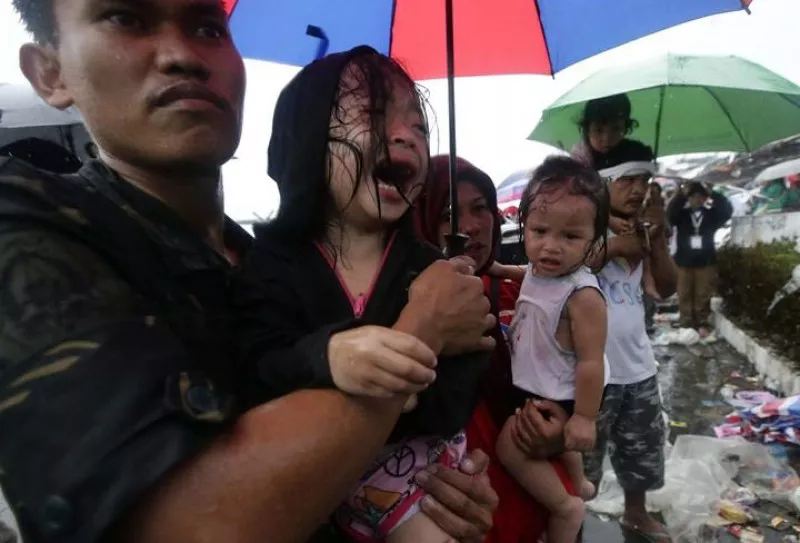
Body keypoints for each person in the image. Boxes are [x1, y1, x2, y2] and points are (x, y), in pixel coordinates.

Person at [0, 2, 499, 541]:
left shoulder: (250, 256)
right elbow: (193, 527)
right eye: (127, 18)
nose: (182, 54)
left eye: (208, 27)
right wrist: (421, 329)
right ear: (50, 71)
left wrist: (456, 484)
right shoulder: (32, 228)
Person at [233, 46, 494, 543]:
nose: (406, 135)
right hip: (305, 493)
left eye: (419, 126)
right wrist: (327, 355)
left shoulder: (432, 269)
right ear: (306, 141)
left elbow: (467, 372)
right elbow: (257, 364)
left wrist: (417, 397)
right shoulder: (271, 264)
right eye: (373, 114)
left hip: (421, 475)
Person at [416, 155, 578, 543]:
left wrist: (560, 429)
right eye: (448, 214)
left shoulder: (524, 293)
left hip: (545, 500)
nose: (471, 226)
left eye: (480, 208)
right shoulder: (406, 313)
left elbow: (570, 376)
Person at [494, 156, 609, 543]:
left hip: (558, 390)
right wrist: (500, 270)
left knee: (510, 443)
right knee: (561, 447)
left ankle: (565, 506)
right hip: (540, 382)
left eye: (570, 237)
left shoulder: (583, 296)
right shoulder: (540, 270)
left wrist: (585, 418)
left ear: (593, 239)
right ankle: (581, 482)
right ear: (524, 225)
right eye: (540, 231)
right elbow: (528, 275)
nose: (550, 247)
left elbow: (591, 362)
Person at [583, 144, 678, 542]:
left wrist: (657, 238)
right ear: (604, 183)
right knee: (582, 460)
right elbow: (566, 269)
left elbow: (664, 289)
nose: (638, 189)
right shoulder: (583, 224)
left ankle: (636, 514)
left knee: (640, 449)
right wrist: (614, 247)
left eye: (645, 180)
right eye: (628, 179)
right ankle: (568, 523)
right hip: (591, 373)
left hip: (637, 367)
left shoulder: (642, 231)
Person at [667, 181, 733, 334]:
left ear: (705, 198)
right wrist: (681, 194)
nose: (697, 200)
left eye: (700, 196)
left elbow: (727, 211)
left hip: (705, 260)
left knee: (703, 293)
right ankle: (686, 321)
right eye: (693, 196)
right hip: (684, 261)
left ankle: (701, 321)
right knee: (684, 292)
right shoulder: (682, 215)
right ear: (689, 199)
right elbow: (670, 213)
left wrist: (713, 193)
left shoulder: (712, 215)